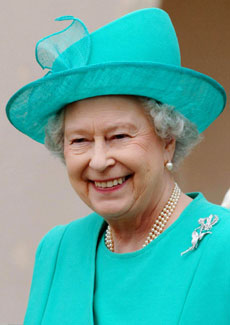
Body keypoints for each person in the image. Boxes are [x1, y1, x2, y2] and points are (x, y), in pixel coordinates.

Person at [6, 8, 230, 325]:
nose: (98, 161)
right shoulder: (57, 250)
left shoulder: (224, 247)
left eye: (119, 136)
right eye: (80, 140)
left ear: (169, 139)